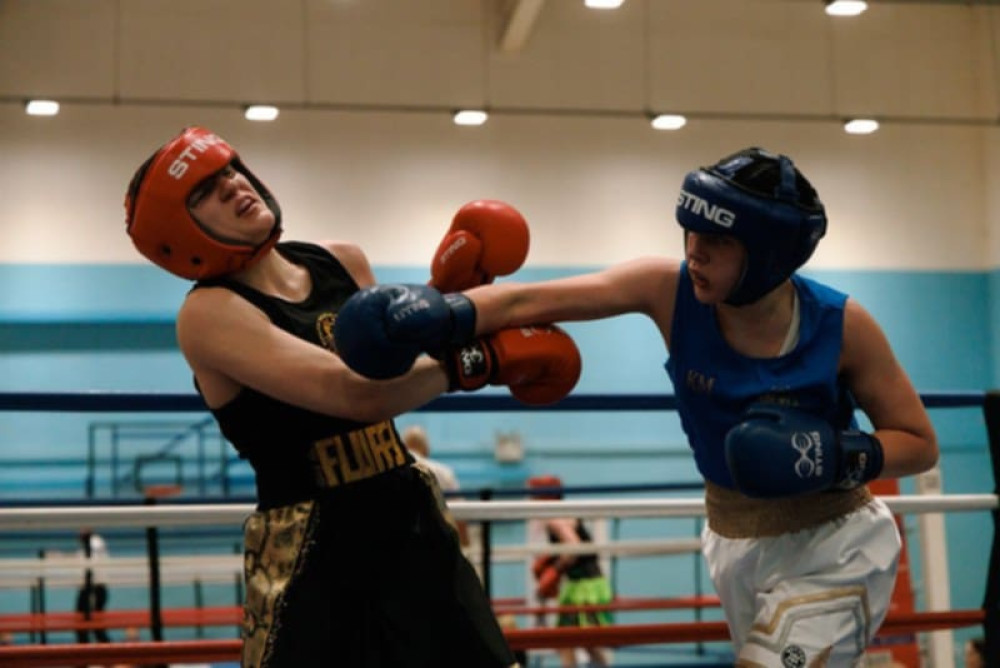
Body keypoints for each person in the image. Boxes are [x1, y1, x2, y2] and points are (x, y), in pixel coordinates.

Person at [334, 147, 940, 666]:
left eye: (716, 241)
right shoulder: (669, 290)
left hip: (837, 544)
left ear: (769, 252)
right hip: (734, 540)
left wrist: (833, 455)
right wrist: (442, 314)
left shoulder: (841, 325)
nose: (695, 252)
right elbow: (536, 301)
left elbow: (918, 441)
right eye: (691, 233)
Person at [123, 126, 585, 667]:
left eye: (230, 169)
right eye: (203, 191)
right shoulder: (207, 315)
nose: (232, 185)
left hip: (410, 516)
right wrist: (477, 358)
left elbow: (398, 371)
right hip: (312, 546)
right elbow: (353, 392)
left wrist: (444, 303)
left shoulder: (339, 260)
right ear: (177, 230)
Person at [528, 475, 612, 668]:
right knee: (581, 641)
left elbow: (574, 546)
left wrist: (554, 570)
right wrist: (551, 561)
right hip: (588, 584)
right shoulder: (563, 512)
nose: (530, 500)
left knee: (568, 640)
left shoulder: (554, 518)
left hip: (584, 587)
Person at [401, 424, 470, 547]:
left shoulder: (396, 473)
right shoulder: (443, 472)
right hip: (438, 545)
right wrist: (466, 548)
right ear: (426, 449)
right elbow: (460, 517)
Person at [75, 528, 111, 644]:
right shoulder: (92, 544)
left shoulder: (95, 543)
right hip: (92, 587)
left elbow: (91, 565)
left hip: (94, 588)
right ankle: (85, 655)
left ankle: (108, 656)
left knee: (93, 624)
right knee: (86, 624)